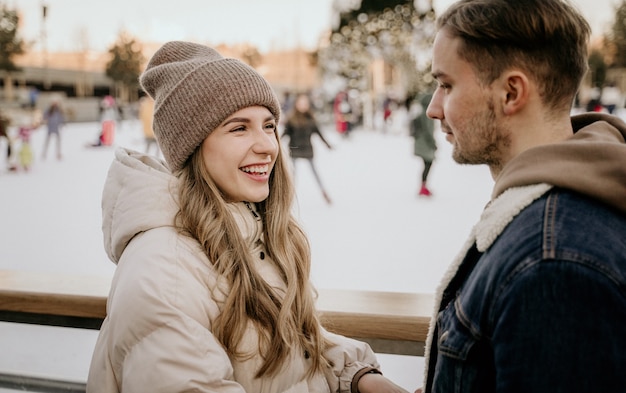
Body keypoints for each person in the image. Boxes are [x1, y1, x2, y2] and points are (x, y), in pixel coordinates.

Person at [87, 41, 407, 393]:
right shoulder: (165, 273)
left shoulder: (248, 232)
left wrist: (357, 378)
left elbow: (287, 349)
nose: (268, 145)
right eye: (239, 128)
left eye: (268, 126)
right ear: (191, 147)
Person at [418, 0, 626, 393]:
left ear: (511, 92)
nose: (433, 108)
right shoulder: (551, 218)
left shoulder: (554, 265)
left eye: (446, 85)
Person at [282, 92, 333, 204]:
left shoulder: (310, 119)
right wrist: (276, 143)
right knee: (292, 174)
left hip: (307, 150)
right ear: (296, 104)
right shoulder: (291, 119)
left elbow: (319, 133)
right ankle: (288, 196)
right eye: (301, 103)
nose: (303, 105)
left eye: (305, 103)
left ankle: (324, 192)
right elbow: (285, 133)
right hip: (295, 149)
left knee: (315, 172)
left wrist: (327, 144)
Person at [408, 93, 437, 197]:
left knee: (426, 164)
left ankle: (423, 186)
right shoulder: (428, 115)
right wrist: (433, 143)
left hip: (420, 142)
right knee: (428, 164)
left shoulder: (420, 113)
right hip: (425, 143)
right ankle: (423, 187)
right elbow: (428, 131)